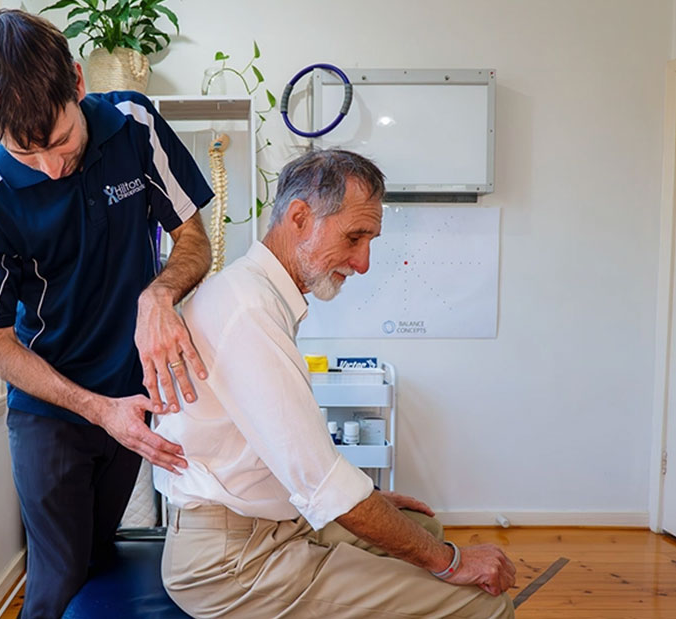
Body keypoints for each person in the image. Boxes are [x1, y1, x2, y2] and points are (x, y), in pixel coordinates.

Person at [153, 149, 516, 618]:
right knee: (482, 606)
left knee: (424, 528)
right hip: (231, 561)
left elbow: (290, 461)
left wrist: (373, 504)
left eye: (370, 241)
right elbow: (324, 486)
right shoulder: (248, 310)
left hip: (272, 520)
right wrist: (455, 564)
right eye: (354, 237)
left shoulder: (259, 295)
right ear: (299, 217)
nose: (363, 262)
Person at [0, 9, 213, 617]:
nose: (52, 167)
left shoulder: (134, 124)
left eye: (61, 141)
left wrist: (159, 293)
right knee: (58, 579)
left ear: (77, 81)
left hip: (133, 392)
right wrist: (96, 410)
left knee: (100, 561)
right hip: (52, 413)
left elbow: (194, 240)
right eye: (26, 152)